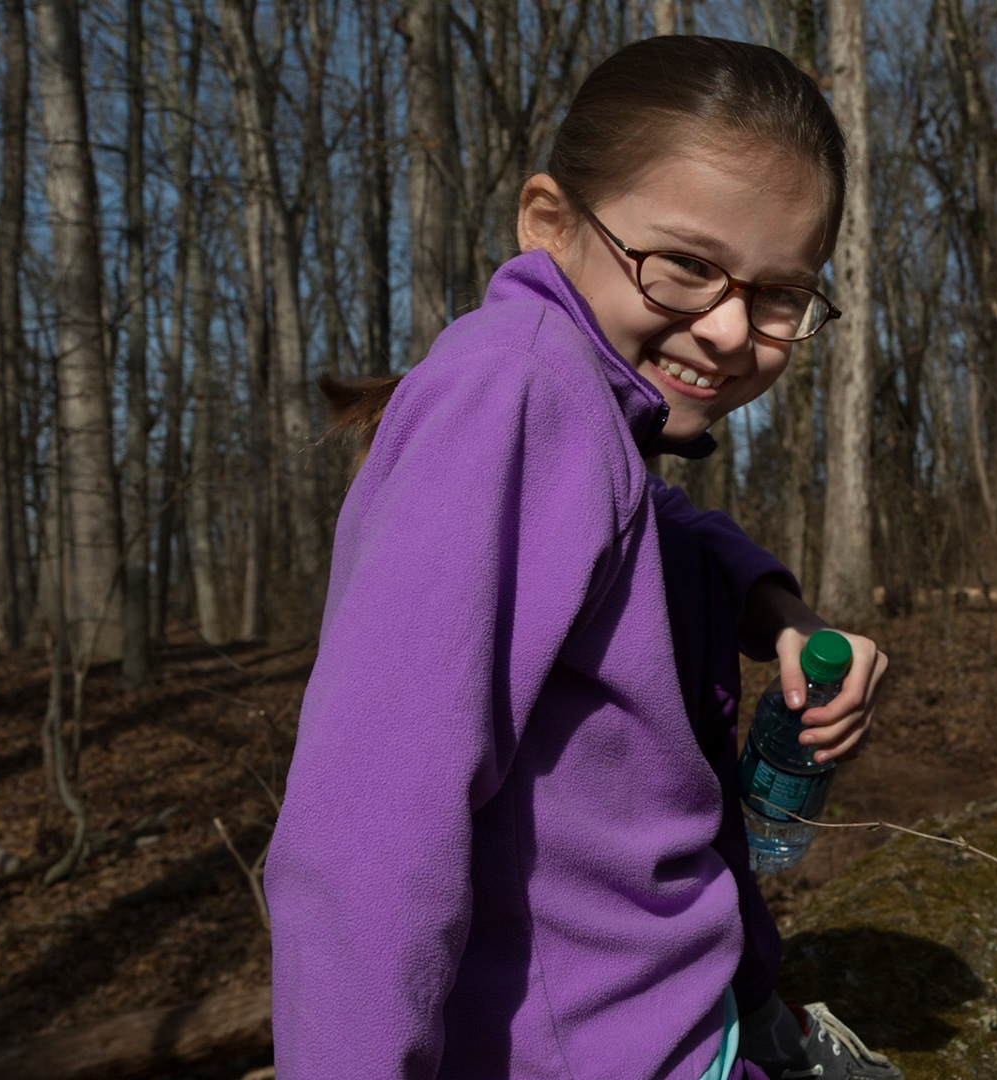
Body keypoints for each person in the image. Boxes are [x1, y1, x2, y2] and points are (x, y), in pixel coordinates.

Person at [266, 36, 900, 1080]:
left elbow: (648, 527)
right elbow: (363, 839)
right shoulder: (515, 396)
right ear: (550, 222)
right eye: (688, 265)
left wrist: (775, 607)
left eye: (782, 293)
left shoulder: (575, 404)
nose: (733, 328)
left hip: (683, 1026)